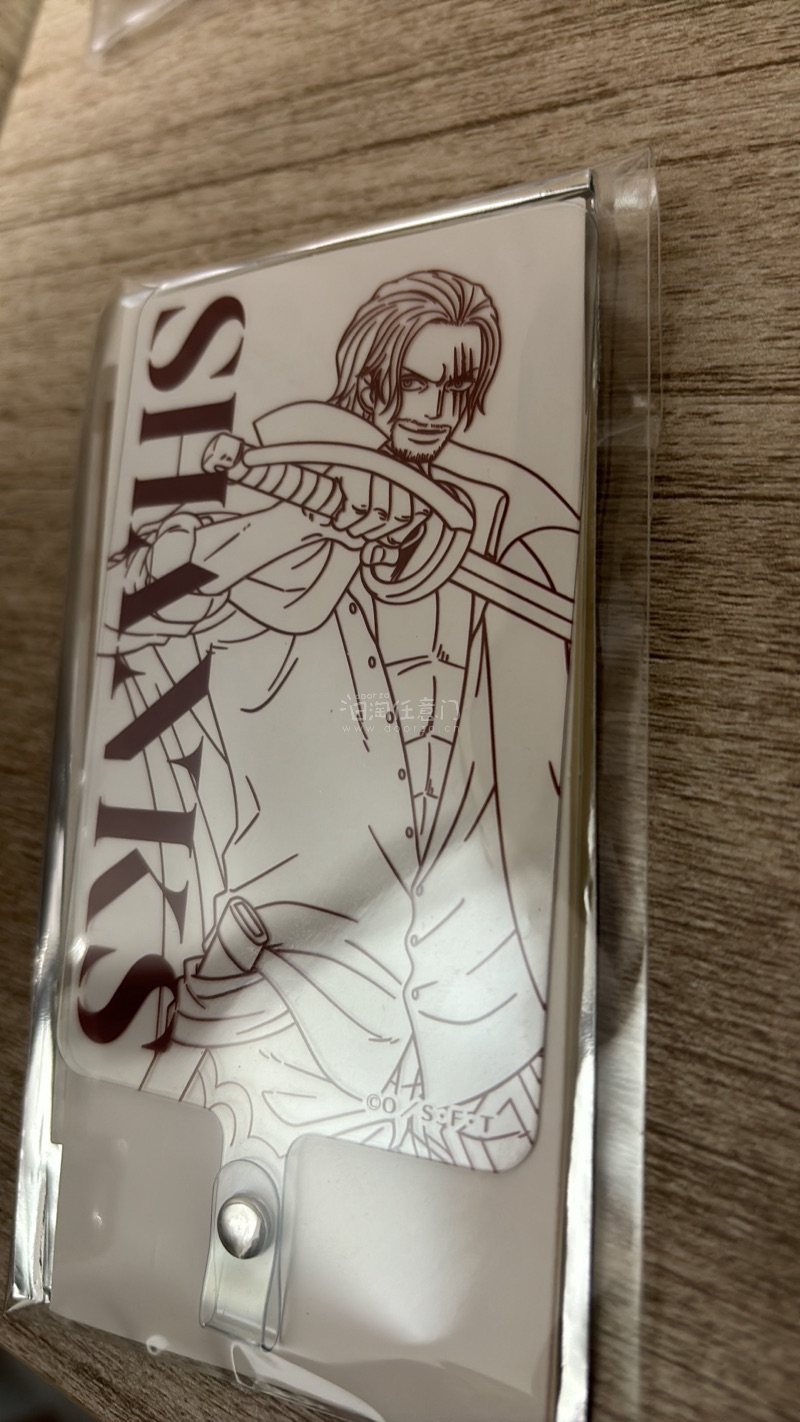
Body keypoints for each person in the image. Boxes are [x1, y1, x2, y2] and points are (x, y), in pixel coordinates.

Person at [119, 269, 579, 1172]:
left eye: (455, 387)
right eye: (413, 382)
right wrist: (317, 527)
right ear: (372, 375)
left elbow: (562, 610)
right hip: (295, 973)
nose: (434, 410)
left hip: (470, 979)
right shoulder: (278, 492)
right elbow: (151, 593)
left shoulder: (492, 508)